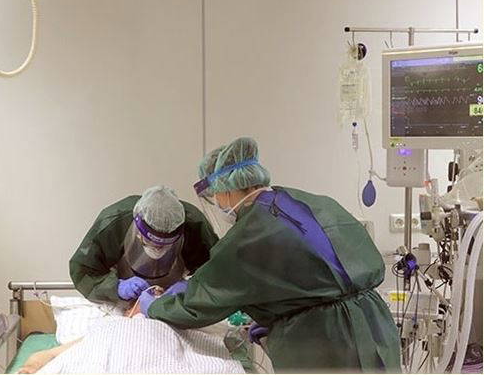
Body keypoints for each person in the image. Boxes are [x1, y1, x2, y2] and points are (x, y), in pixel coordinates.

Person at [138, 138, 401, 373]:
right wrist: (277, 316)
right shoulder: (310, 202)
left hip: (325, 342)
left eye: (215, 194)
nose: (217, 202)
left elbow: (198, 304)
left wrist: (155, 306)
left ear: (227, 187)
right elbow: (317, 276)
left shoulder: (250, 233)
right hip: (375, 324)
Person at [69, 185, 218, 305]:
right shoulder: (115, 223)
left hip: (174, 303)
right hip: (122, 301)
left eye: (164, 246)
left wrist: (191, 286)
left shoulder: (194, 224)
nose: (157, 250)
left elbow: (216, 271)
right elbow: (83, 272)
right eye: (151, 242)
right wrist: (116, 287)